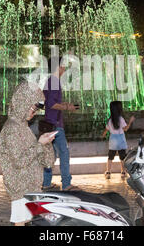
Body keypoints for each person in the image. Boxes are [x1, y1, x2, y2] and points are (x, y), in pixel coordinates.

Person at [0, 81, 56, 226]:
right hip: (21, 189)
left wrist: (46, 145)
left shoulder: (23, 127)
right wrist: (40, 144)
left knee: (31, 221)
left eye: (36, 109)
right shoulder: (12, 129)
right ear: (22, 102)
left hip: (30, 187)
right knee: (21, 222)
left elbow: (46, 162)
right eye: (33, 107)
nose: (33, 112)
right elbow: (19, 162)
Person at [42, 57, 80, 192]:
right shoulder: (54, 82)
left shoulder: (50, 81)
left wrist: (67, 105)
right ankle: (66, 184)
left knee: (49, 155)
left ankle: (46, 183)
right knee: (64, 153)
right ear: (57, 67)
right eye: (63, 66)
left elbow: (47, 102)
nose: (64, 68)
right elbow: (51, 104)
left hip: (50, 122)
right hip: (55, 124)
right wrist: (67, 108)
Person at [101, 101, 135, 180]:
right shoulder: (121, 119)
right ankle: (123, 172)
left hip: (113, 140)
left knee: (110, 157)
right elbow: (125, 129)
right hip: (120, 140)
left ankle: (108, 172)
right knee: (122, 157)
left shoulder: (110, 120)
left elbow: (106, 130)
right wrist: (130, 121)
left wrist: (102, 136)